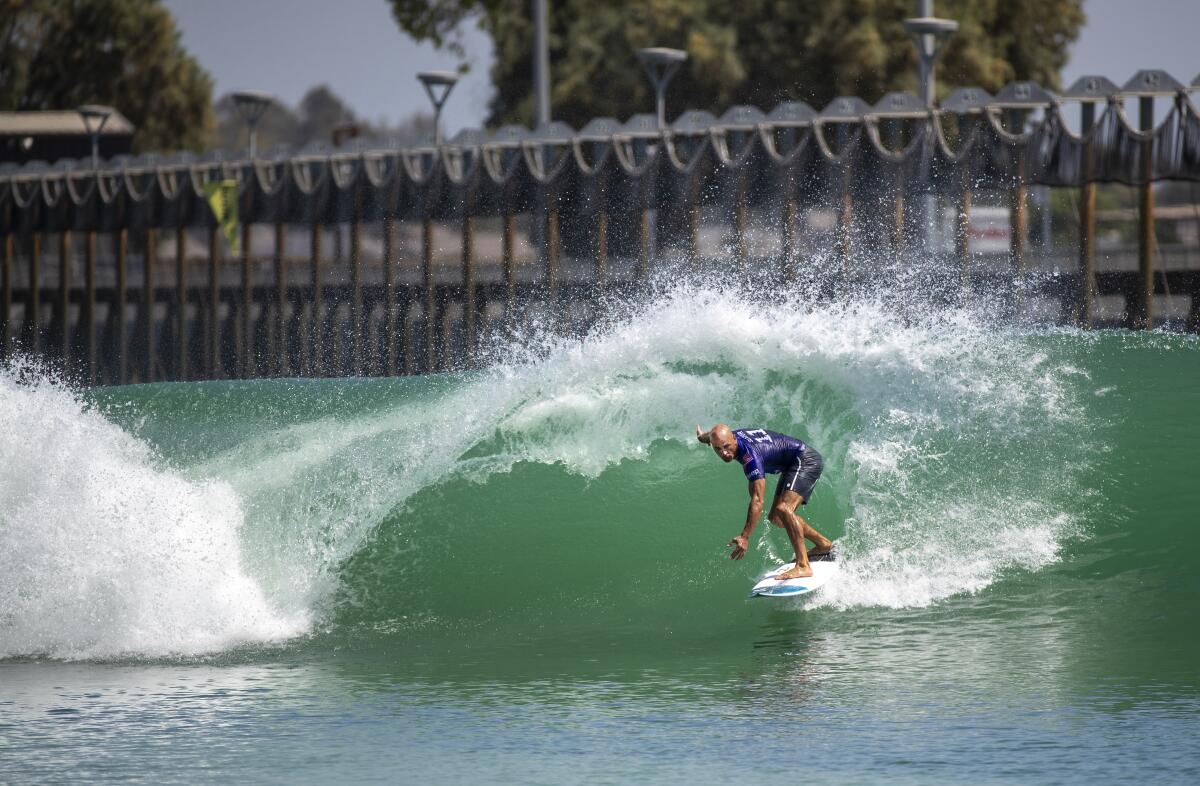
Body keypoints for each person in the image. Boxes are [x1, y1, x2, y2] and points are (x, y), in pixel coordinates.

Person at [696, 424, 833, 580]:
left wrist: (745, 537)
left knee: (783, 509)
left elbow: (758, 500)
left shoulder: (750, 457)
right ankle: (823, 544)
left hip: (805, 460)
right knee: (776, 518)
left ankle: (803, 566)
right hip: (791, 464)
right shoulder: (726, 437)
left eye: (727, 447)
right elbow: (714, 437)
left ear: (734, 438)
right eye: (718, 449)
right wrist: (703, 438)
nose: (725, 453)